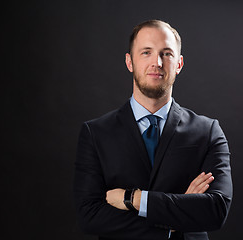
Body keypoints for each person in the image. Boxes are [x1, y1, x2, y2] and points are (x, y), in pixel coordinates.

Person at [74, 19, 232, 240]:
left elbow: (216, 210)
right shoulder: (96, 133)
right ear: (130, 62)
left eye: (166, 54)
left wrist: (134, 199)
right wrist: (176, 219)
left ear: (179, 64)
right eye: (146, 52)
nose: (157, 62)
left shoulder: (208, 132)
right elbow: (89, 216)